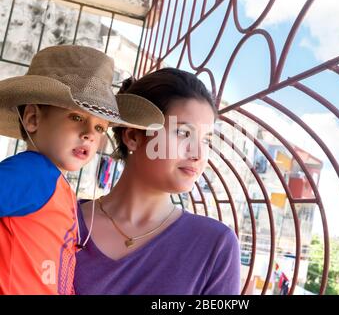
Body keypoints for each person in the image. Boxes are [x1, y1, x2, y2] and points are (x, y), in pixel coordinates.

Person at [0, 45, 164, 295]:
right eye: (77, 117)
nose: (89, 134)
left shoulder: (58, 186)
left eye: (100, 128)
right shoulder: (32, 173)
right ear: (33, 118)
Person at [74, 68, 241, 295]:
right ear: (133, 136)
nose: (198, 153)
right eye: (183, 133)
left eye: (206, 140)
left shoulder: (215, 246)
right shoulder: (64, 220)